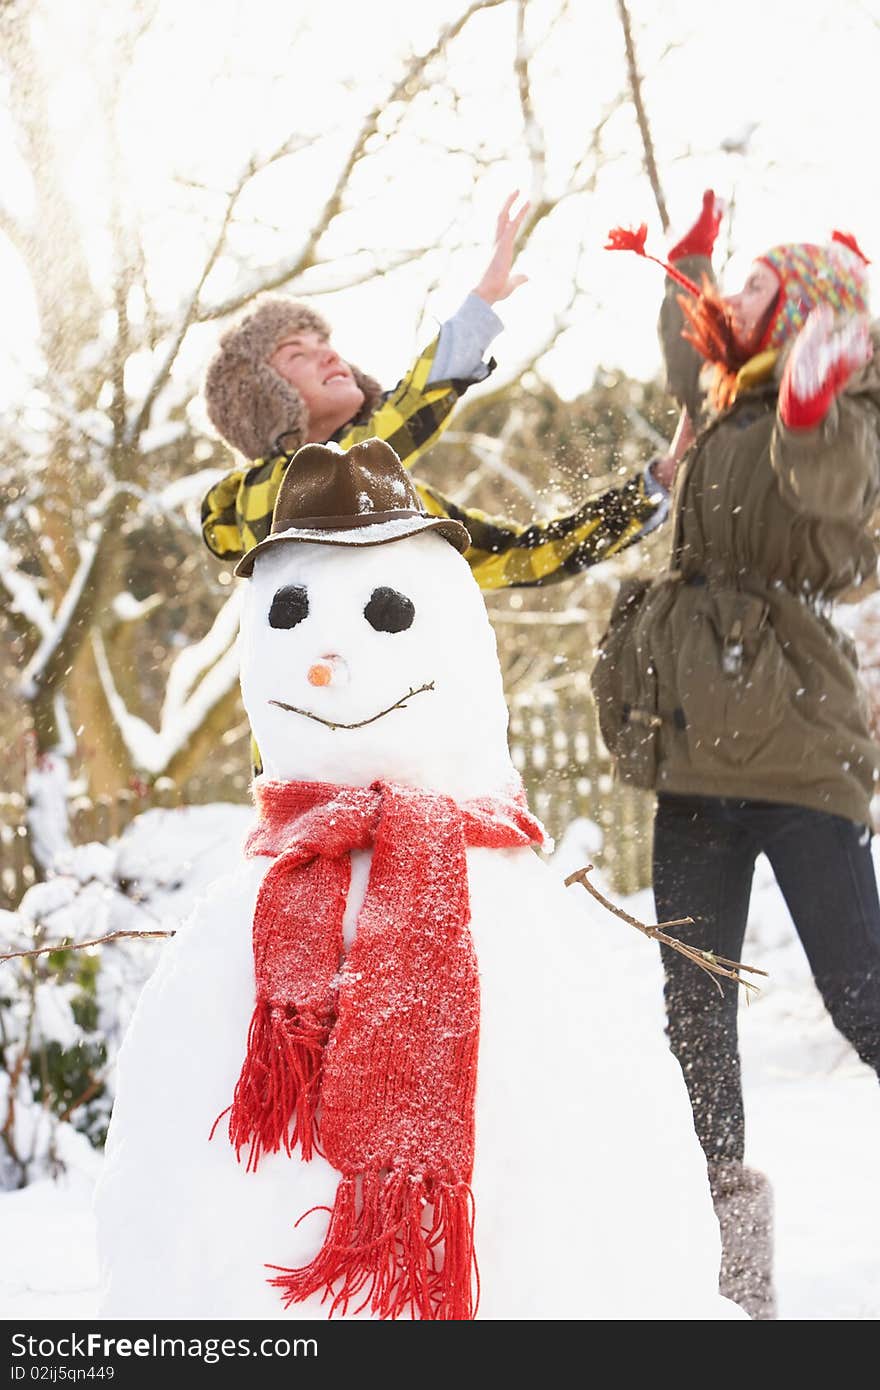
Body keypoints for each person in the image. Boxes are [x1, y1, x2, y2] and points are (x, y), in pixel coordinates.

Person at [595, 191, 880, 1319]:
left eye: (764, 282)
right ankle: (729, 1277)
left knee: (862, 997)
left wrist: (814, 398)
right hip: (696, 768)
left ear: (811, 310)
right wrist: (690, 266)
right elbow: (692, 359)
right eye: (741, 283)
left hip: (798, 760)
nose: (738, 296)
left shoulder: (843, 410)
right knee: (692, 1014)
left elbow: (834, 494)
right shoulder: (725, 405)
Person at [201, 193, 683, 591]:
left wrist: (652, 487)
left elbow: (521, 555)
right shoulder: (260, 498)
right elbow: (376, 440)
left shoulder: (397, 507)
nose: (329, 355)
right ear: (263, 399)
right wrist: (479, 308)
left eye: (325, 343)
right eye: (297, 354)